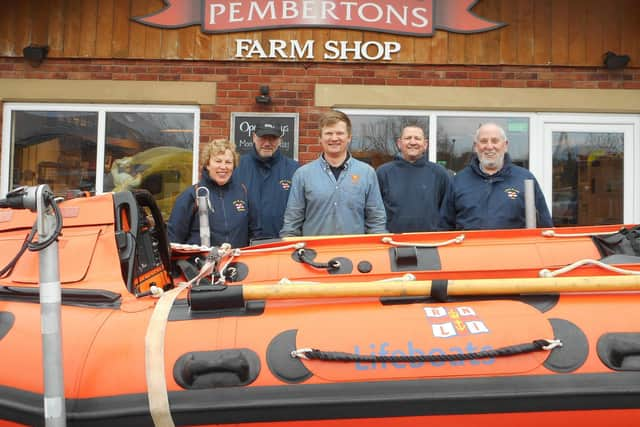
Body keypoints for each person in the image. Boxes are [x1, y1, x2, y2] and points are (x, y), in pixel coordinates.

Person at [280, 110, 387, 237]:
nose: (334, 138)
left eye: (340, 133)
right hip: (313, 253)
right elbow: (292, 223)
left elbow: (376, 221)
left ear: (349, 138)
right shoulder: (303, 174)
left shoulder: (367, 173)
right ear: (320, 138)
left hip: (354, 252)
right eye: (328, 133)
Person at [440, 122, 553, 230]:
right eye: (483, 141)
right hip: (469, 249)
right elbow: (444, 226)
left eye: (495, 141)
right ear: (475, 146)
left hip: (514, 249)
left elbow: (545, 225)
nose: (489, 146)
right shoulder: (458, 181)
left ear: (505, 145)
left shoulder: (525, 179)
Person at [167, 139, 262, 248]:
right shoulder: (192, 195)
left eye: (228, 162)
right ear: (207, 164)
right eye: (218, 161)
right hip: (199, 263)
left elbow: (255, 234)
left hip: (236, 262)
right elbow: (173, 241)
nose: (223, 167)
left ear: (233, 166)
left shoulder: (243, 193)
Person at [376, 124, 453, 232]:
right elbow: (375, 212)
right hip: (393, 242)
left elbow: (448, 211)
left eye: (417, 138)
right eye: (408, 138)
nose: (412, 142)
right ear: (399, 143)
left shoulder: (439, 173)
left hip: (430, 242)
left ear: (425, 144)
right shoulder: (383, 173)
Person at [233, 121, 299, 239]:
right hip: (244, 244)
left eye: (272, 138)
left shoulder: (295, 170)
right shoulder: (237, 167)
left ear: (280, 140)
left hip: (281, 244)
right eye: (263, 138)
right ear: (254, 137)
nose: (267, 143)